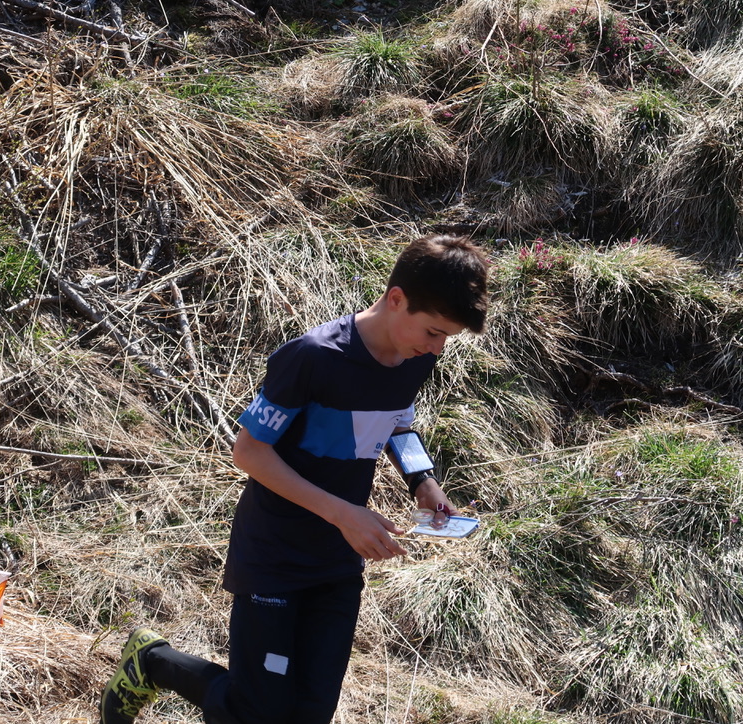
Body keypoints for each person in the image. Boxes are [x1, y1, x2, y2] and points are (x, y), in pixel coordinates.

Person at [99, 233, 490, 724]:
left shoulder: (415, 358)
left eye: (446, 338)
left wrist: (423, 483)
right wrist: (343, 513)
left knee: (310, 713)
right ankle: (151, 662)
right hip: (275, 553)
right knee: (258, 714)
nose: (437, 347)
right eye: (433, 332)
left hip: (337, 561)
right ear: (396, 299)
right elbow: (249, 451)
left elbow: (397, 423)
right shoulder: (312, 356)